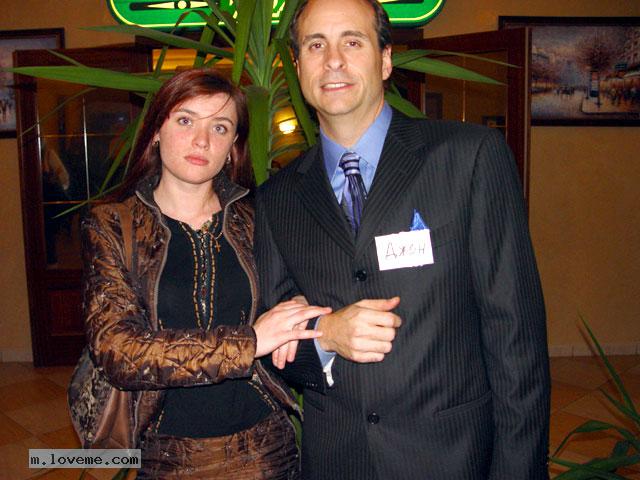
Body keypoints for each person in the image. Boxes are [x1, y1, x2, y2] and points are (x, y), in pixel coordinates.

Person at [255, 0, 551, 478]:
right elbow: (278, 349)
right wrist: (326, 337)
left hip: (454, 459)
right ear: (298, 65)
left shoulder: (468, 159)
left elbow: (516, 338)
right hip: (339, 463)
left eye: (352, 42)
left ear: (386, 59)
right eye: (316, 45)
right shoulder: (277, 198)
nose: (333, 61)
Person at [80, 69, 330, 479]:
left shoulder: (260, 218)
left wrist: (299, 303)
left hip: (267, 449)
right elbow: (119, 351)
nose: (202, 140)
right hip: (167, 456)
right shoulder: (113, 225)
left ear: (233, 146)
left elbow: (305, 292)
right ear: (156, 131)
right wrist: (250, 342)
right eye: (185, 120)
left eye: (220, 127)